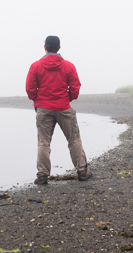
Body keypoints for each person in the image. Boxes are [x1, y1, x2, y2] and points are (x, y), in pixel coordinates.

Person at [25, 35, 91, 185]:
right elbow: (75, 88)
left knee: (43, 142)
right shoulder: (68, 66)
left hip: (44, 108)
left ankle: (42, 176)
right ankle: (82, 171)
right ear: (59, 48)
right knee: (74, 140)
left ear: (45, 47)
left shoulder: (36, 66)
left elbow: (30, 89)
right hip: (63, 107)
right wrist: (67, 98)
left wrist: (39, 100)